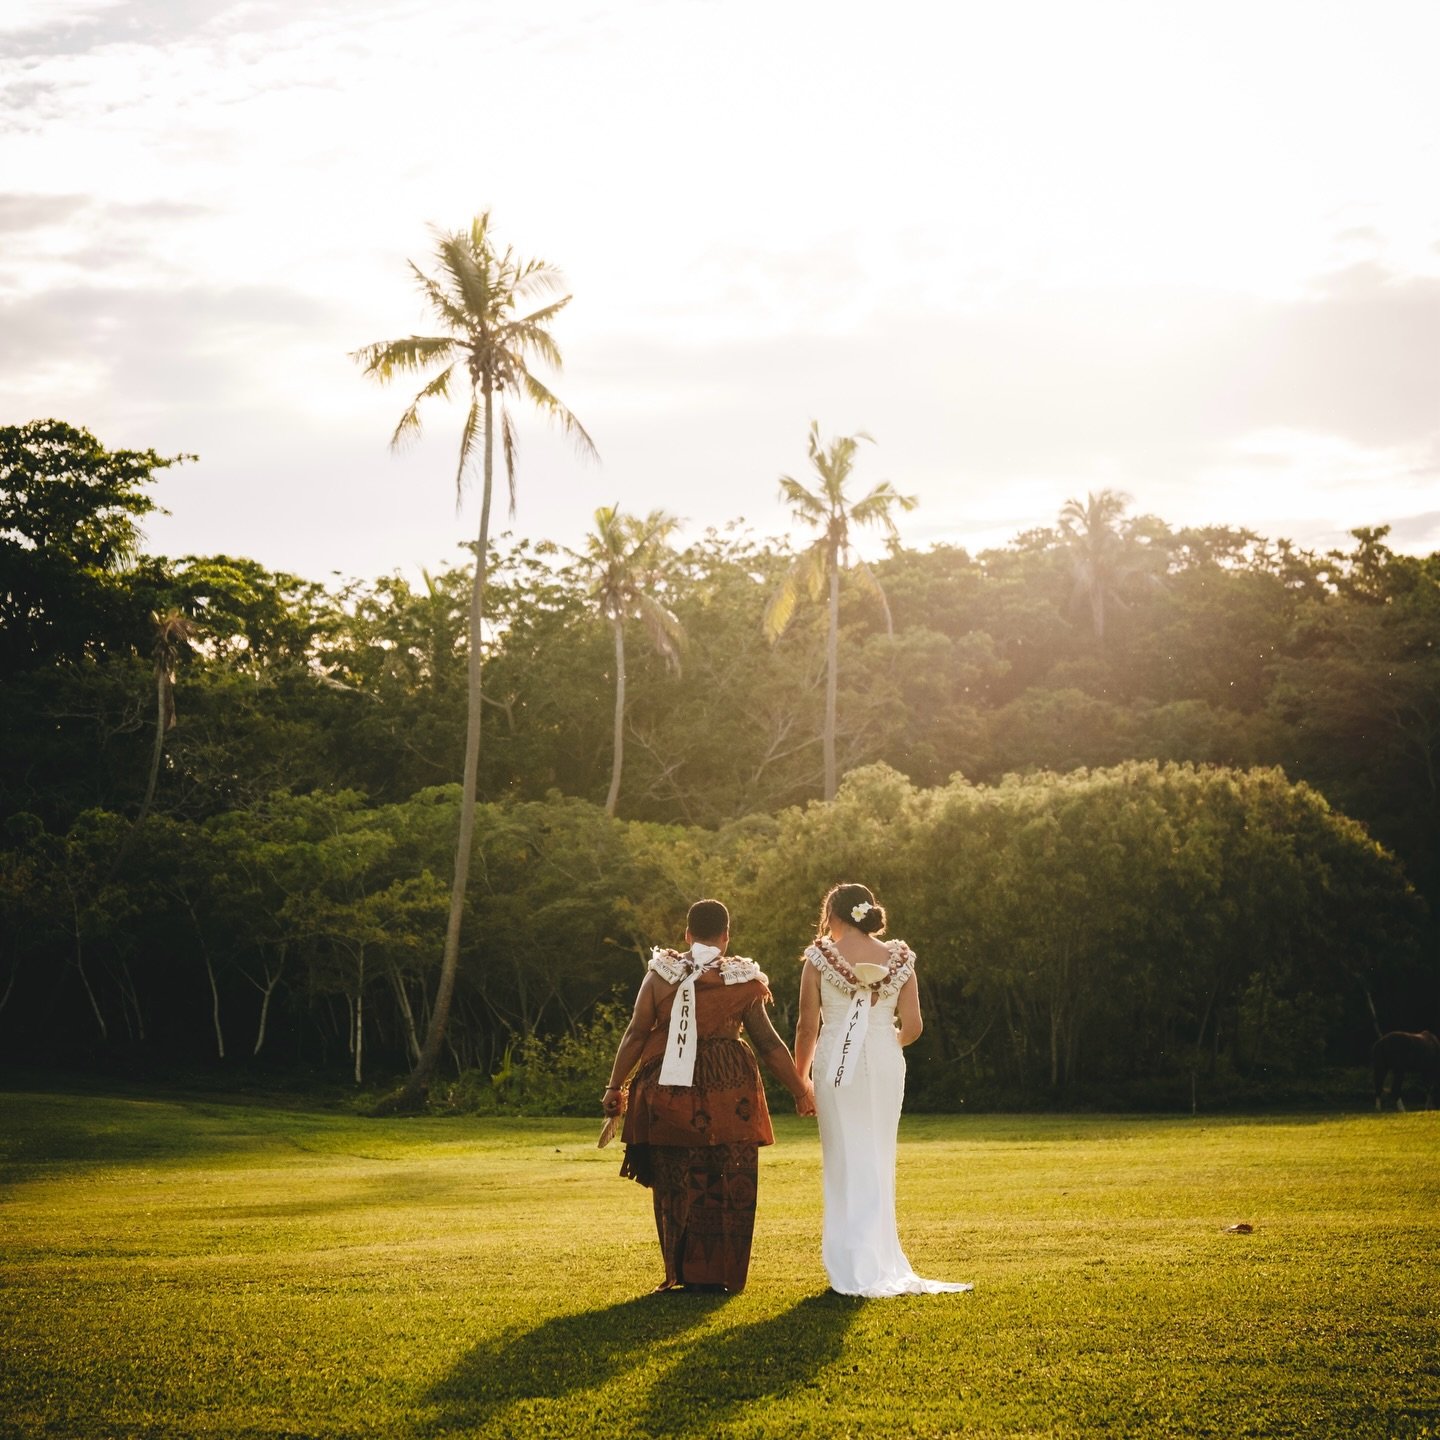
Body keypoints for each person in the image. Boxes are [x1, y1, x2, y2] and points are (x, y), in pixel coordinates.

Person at [602, 897, 816, 1293]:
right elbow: (768, 1044)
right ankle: (721, 1273)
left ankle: (678, 1272)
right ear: (726, 937)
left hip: (668, 1088)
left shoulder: (659, 976)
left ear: (686, 934)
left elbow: (635, 1034)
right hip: (728, 1089)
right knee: (728, 1172)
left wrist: (615, 1085)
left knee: (673, 1178)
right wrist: (800, 1090)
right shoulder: (742, 980)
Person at [793, 881, 973, 1298]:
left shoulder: (819, 959)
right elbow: (914, 1028)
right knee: (876, 1155)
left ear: (834, 915)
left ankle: (850, 1264)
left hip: (836, 1060)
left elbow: (807, 1026)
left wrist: (800, 1080)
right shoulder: (900, 959)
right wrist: (885, 1039)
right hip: (884, 1061)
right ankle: (875, 1260)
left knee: (843, 1158)